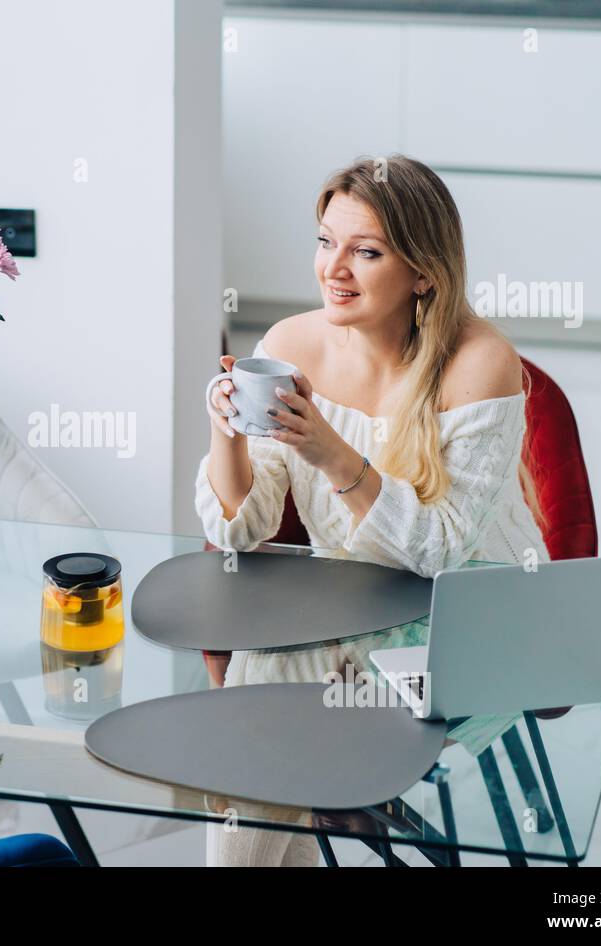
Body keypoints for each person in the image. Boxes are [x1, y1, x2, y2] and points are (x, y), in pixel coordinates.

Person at [197, 154, 549, 866]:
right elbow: (242, 526)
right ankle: (306, 802)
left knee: (266, 721)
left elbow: (439, 552)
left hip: (464, 614)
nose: (335, 268)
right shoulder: (290, 346)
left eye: (367, 252)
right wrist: (224, 432)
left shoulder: (480, 364)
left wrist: (333, 456)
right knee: (261, 718)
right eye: (326, 242)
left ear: (423, 272)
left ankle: (307, 799)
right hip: (346, 601)